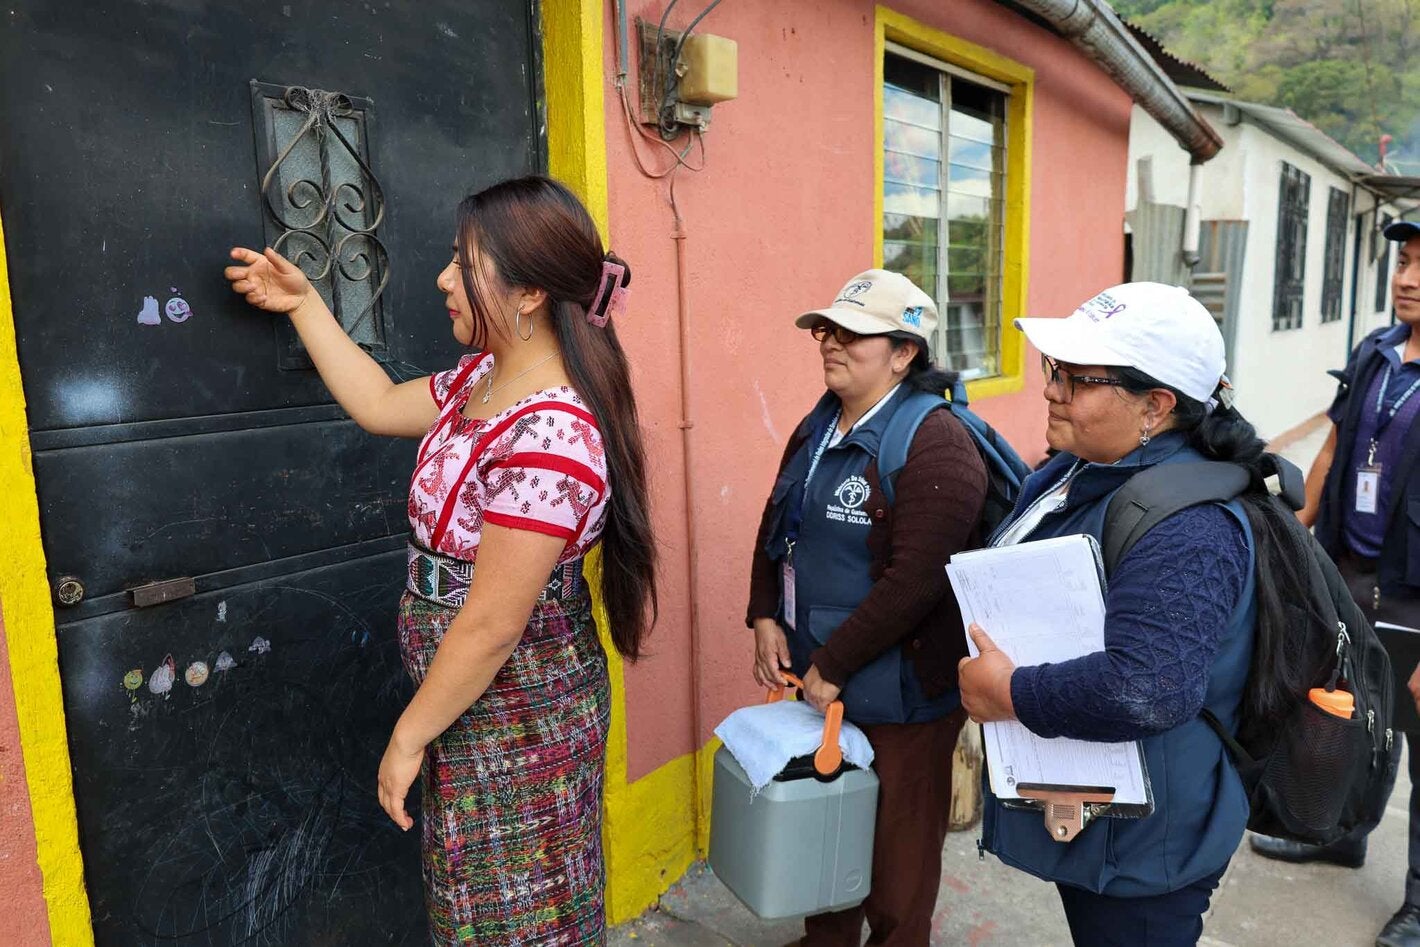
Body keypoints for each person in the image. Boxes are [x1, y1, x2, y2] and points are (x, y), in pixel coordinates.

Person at [223, 175, 656, 944]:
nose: (443, 278)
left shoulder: (551, 436)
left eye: (464, 263)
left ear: (526, 295)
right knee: (474, 905)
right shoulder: (481, 382)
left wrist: (406, 736)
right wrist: (304, 304)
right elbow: (381, 402)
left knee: (520, 917)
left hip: (520, 712)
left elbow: (491, 623)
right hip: (470, 697)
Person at [957, 282, 1266, 946]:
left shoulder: (1190, 529)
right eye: (1053, 369)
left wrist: (1009, 691)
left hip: (1148, 849)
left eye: (1075, 378)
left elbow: (1148, 687)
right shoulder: (1084, 466)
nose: (1051, 390)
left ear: (1156, 405)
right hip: (1102, 810)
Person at [745, 269, 987, 946]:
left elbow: (919, 579)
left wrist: (836, 663)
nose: (830, 342)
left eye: (854, 333)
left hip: (903, 695)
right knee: (828, 831)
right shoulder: (819, 422)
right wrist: (764, 612)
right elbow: (778, 520)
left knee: (898, 864)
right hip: (822, 681)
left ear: (904, 352)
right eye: (827, 328)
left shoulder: (937, 442)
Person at [1248, 218, 1420, 947]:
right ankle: (1342, 830)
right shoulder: (1377, 351)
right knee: (1348, 718)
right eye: (1406, 261)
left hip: (1413, 594)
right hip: (1350, 571)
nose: (1407, 276)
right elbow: (1338, 443)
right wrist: (1299, 525)